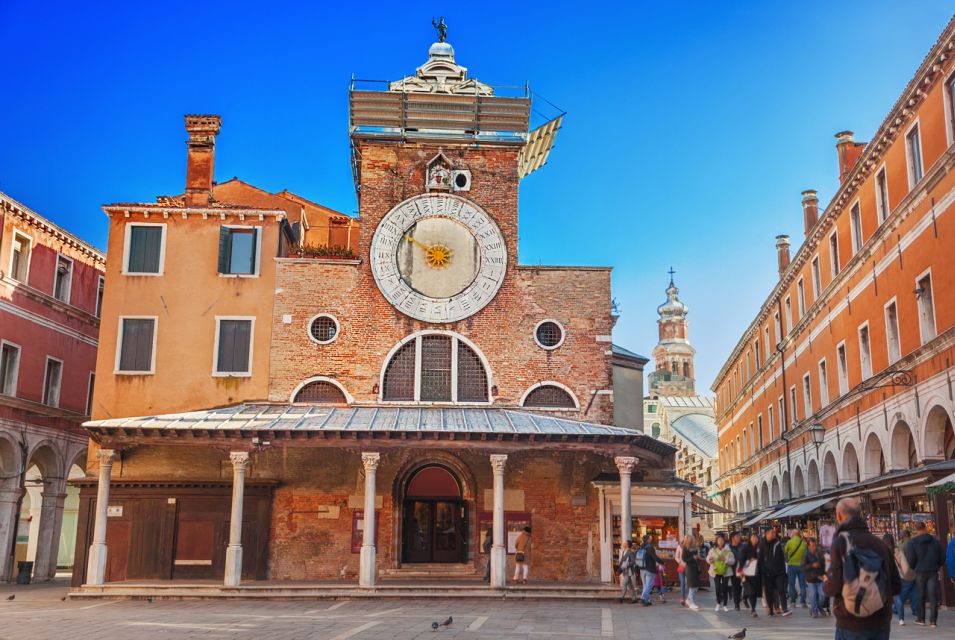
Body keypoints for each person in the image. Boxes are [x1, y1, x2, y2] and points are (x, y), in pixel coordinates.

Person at [824, 497, 901, 640]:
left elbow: (833, 588)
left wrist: (826, 583)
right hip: (881, 622)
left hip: (850, 621)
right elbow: (896, 585)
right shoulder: (880, 544)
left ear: (839, 516)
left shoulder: (841, 543)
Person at [904, 520, 943, 627]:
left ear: (915, 529)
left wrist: (913, 567)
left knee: (920, 595)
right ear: (925, 528)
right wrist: (937, 565)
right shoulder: (935, 541)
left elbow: (911, 559)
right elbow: (941, 556)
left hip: (920, 570)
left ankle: (921, 619)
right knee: (933, 595)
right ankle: (933, 621)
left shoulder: (912, 542)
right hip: (933, 570)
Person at [758, 527, 791, 616]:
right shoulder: (762, 544)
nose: (773, 534)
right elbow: (760, 559)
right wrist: (762, 571)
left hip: (778, 572)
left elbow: (782, 558)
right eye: (772, 533)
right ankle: (771, 608)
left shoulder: (777, 543)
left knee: (781, 589)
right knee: (769, 592)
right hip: (767, 573)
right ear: (766, 534)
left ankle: (784, 608)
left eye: (774, 533)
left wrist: (783, 571)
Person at [887, 531, 918, 625]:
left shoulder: (883, 550)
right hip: (904, 574)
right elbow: (904, 563)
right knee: (905, 595)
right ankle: (904, 617)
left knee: (896, 596)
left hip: (889, 576)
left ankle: (893, 611)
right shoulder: (898, 549)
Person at [707, 534, 735, 612]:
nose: (721, 541)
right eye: (719, 540)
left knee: (725, 588)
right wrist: (710, 560)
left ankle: (725, 605)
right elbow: (708, 558)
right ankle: (718, 603)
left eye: (722, 540)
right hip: (716, 571)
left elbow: (733, 561)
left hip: (726, 571)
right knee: (717, 587)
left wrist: (726, 560)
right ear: (716, 541)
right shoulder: (713, 550)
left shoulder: (728, 550)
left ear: (724, 541)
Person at [738, 532, 762, 618]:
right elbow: (741, 560)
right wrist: (740, 570)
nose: (755, 539)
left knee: (754, 592)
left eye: (756, 537)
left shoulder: (760, 547)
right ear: (750, 538)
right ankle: (753, 609)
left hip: (756, 573)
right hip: (746, 573)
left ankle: (749, 602)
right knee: (751, 591)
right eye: (753, 537)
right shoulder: (745, 548)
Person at [801, 537, 825, 618]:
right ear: (808, 546)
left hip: (820, 577)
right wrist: (812, 565)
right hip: (810, 578)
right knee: (813, 595)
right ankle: (814, 611)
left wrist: (825, 573)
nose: (814, 547)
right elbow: (803, 567)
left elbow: (823, 564)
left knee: (822, 595)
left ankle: (818, 606)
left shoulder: (820, 553)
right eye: (812, 546)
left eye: (815, 545)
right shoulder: (806, 555)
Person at [785, 528, 809, 608]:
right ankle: (803, 602)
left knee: (791, 584)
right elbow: (806, 555)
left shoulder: (789, 542)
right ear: (799, 534)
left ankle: (793, 602)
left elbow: (785, 552)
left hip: (791, 565)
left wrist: (787, 560)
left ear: (793, 534)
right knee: (802, 584)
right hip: (801, 566)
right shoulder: (804, 543)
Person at [638, 534, 661, 606]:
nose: (651, 539)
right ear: (648, 540)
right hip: (649, 568)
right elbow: (655, 557)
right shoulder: (650, 548)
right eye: (650, 538)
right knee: (649, 585)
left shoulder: (640, 547)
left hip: (641, 568)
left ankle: (647, 601)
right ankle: (643, 598)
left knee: (645, 585)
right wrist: (662, 562)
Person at [682, 534, 701, 610]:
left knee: (696, 585)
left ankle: (689, 600)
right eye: (691, 540)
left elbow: (696, 556)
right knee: (692, 585)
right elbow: (684, 559)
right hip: (689, 568)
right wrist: (692, 558)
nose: (693, 541)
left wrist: (698, 557)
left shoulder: (694, 547)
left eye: (693, 539)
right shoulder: (685, 548)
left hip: (695, 567)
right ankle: (690, 601)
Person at [729, 532, 744, 611]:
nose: (739, 538)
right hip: (733, 569)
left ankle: (743, 597)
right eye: (737, 536)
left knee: (743, 586)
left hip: (743, 570)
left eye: (739, 536)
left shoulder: (743, 546)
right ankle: (736, 604)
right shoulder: (728, 547)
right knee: (735, 587)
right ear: (732, 538)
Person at [676, 537, 688, 606]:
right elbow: (676, 557)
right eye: (685, 539)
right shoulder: (679, 547)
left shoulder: (691, 546)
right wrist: (680, 562)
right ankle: (682, 598)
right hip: (682, 566)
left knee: (690, 583)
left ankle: (689, 598)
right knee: (682, 583)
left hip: (689, 567)